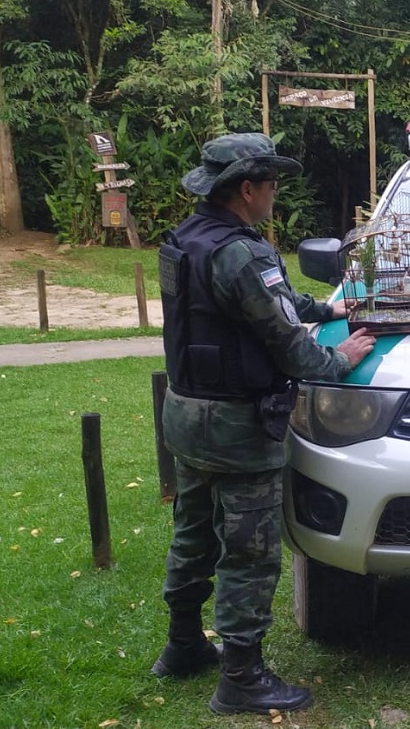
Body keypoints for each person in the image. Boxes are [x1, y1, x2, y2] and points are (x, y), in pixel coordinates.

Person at [152, 132, 375, 715]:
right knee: (249, 550)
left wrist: (325, 308)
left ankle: (180, 647)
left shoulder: (186, 240)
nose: (276, 193)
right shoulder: (243, 253)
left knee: (193, 531)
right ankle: (242, 677)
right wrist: (339, 359)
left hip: (185, 414)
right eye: (271, 184)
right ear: (246, 189)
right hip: (238, 427)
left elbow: (251, 309)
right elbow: (285, 344)